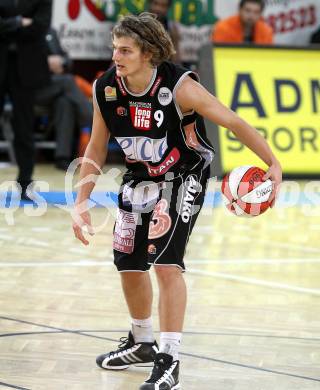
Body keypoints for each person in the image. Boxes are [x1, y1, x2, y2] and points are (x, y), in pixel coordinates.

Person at [72, 13, 282, 390]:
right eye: (114, 48)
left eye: (125, 50)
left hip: (183, 174)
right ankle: (142, 342)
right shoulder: (106, 87)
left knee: (166, 264)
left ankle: (170, 359)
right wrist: (80, 201)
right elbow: (97, 146)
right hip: (140, 176)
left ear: (149, 53)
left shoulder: (179, 87)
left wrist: (273, 163)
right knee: (128, 261)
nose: (115, 57)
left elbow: (232, 121)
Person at [0, 0, 52, 199]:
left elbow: (40, 26)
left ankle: (25, 183)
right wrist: (19, 22)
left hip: (26, 68)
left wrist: (7, 25)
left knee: (24, 127)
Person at [35, 27, 93, 170]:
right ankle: (92, 118)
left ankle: (62, 157)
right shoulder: (23, 31)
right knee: (68, 81)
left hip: (54, 87)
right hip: (31, 88)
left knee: (65, 102)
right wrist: (45, 63)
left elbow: (67, 58)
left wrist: (62, 63)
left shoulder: (50, 32)